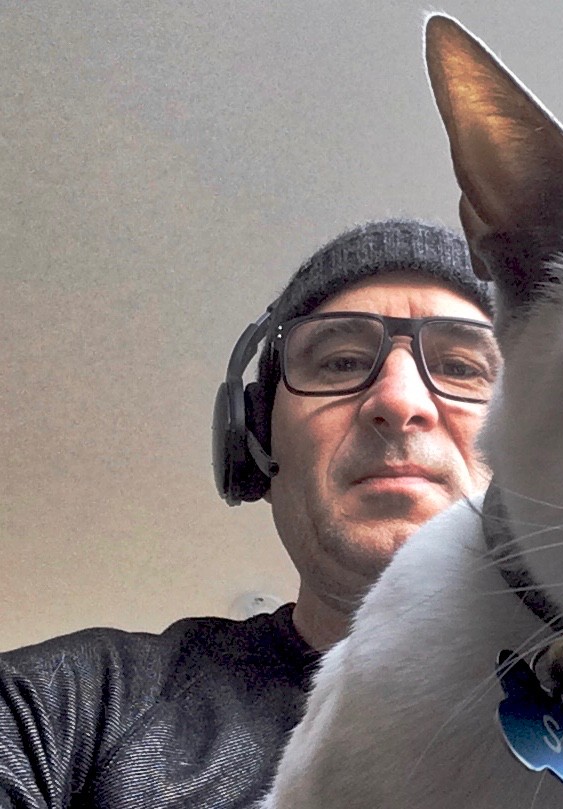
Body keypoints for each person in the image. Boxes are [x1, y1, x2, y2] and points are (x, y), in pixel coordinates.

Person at [0, 219, 496, 809]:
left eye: (461, 367)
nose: (399, 400)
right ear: (256, 440)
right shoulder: (63, 707)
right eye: (339, 362)